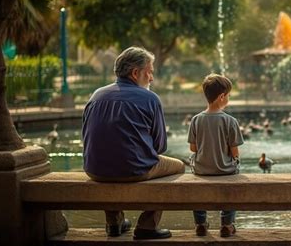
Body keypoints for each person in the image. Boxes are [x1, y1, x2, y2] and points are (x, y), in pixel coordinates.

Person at [82, 46, 185, 240]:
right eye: (150, 72)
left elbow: (88, 138)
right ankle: (147, 225)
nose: (152, 78)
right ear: (135, 73)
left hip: (94, 169)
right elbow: (160, 147)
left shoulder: (96, 95)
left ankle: (114, 222)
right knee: (178, 167)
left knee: (109, 156)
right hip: (133, 170)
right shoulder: (150, 98)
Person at [187, 73, 244, 237]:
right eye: (229, 95)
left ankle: (200, 224)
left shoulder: (196, 120)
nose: (229, 98)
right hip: (225, 170)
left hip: (202, 171)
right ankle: (227, 224)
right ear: (221, 97)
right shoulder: (230, 121)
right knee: (233, 184)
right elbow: (235, 152)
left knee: (196, 187)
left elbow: (193, 148)